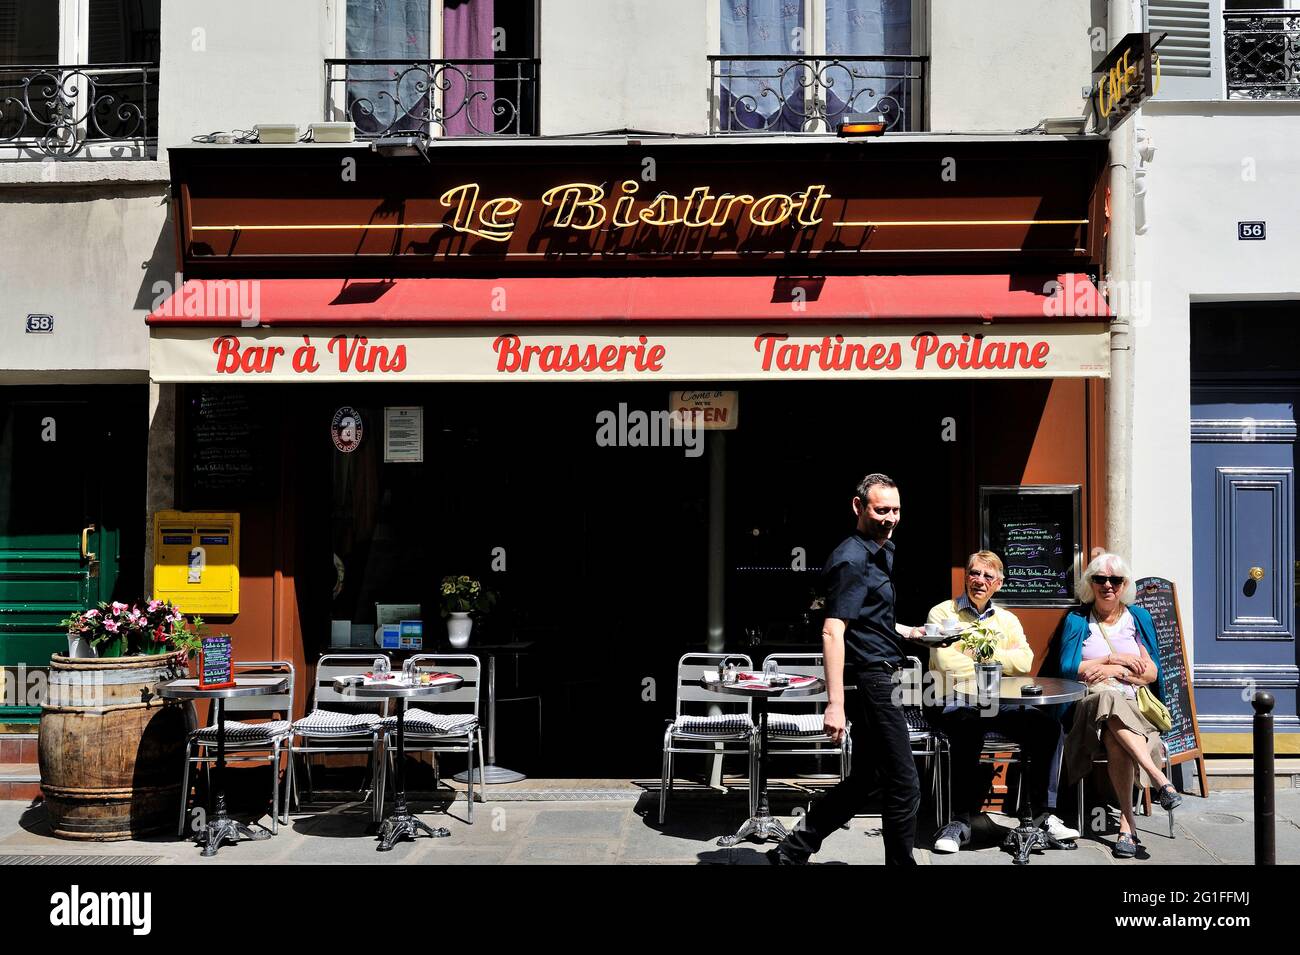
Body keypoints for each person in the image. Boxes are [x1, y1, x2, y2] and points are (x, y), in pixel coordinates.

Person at [769, 473, 924, 865]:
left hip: (882, 671)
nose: (890, 518)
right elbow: (833, 630)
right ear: (858, 507)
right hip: (871, 679)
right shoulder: (851, 559)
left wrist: (910, 631)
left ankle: (792, 851)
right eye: (881, 510)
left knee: (867, 779)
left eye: (896, 510)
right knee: (904, 782)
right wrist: (834, 704)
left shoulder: (881, 551)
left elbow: (867, 618)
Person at [925, 551, 1079, 853]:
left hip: (998, 702)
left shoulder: (1007, 619)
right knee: (967, 727)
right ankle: (960, 821)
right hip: (952, 699)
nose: (979, 581)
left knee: (1048, 728)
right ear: (966, 576)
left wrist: (978, 655)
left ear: (998, 584)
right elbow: (945, 662)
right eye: (974, 573)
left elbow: (1024, 662)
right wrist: (998, 660)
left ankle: (1042, 816)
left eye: (987, 576)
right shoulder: (942, 614)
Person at [1051, 552, 1182, 859]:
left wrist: (1114, 670)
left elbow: (1151, 672)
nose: (1107, 585)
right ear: (1090, 584)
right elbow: (1070, 668)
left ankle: (1127, 828)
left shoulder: (1139, 618)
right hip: (1089, 707)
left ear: (1125, 585)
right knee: (1108, 699)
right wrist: (1115, 659)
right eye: (1100, 579)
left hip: (1133, 708)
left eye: (1115, 580)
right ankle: (1160, 779)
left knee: (1115, 739)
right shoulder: (1077, 620)